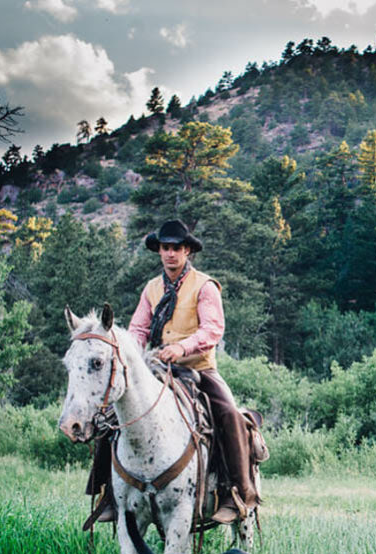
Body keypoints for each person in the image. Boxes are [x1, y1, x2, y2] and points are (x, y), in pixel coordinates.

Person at [84, 219, 257, 526]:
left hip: (199, 369)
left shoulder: (205, 286)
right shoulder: (151, 288)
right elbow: (137, 328)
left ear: (187, 251)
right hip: (158, 369)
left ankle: (240, 494)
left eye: (176, 248)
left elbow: (213, 330)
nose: (170, 254)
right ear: (159, 251)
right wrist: (133, 354)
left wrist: (182, 347)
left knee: (229, 414)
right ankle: (109, 494)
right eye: (165, 248)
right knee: (112, 415)